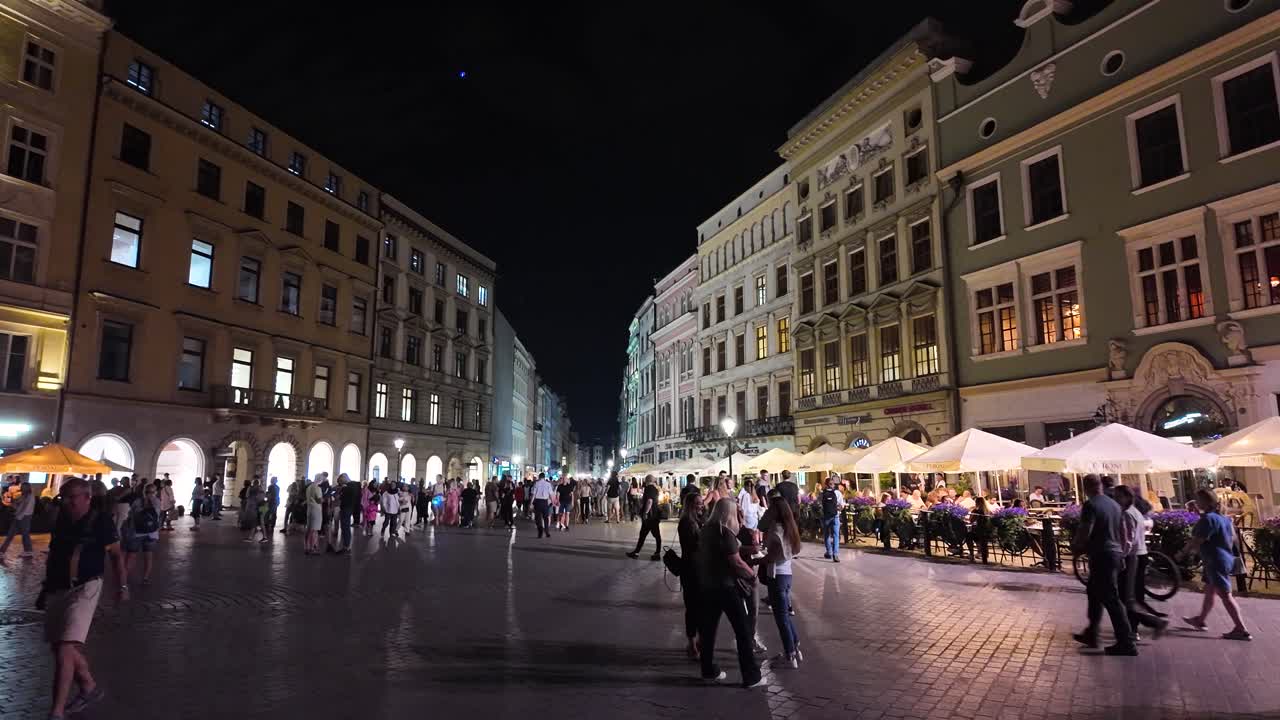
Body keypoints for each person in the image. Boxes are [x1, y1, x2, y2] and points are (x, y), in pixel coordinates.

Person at [40, 477, 127, 719]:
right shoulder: (61, 519)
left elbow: (117, 556)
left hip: (86, 587)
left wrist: (122, 585)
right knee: (58, 645)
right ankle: (88, 686)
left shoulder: (101, 522)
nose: (66, 502)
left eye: (72, 498)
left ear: (88, 497)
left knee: (66, 648)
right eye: (63, 497)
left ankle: (56, 711)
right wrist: (44, 588)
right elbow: (55, 554)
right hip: (58, 587)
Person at [695, 498, 764, 688]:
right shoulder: (724, 532)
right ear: (729, 513)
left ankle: (708, 670)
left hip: (708, 585)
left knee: (708, 631)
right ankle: (751, 676)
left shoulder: (706, 530)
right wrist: (752, 576)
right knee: (742, 631)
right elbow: (736, 562)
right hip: (726, 587)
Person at [1072, 474, 1136, 656]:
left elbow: (1086, 529)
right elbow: (1122, 531)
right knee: (1094, 593)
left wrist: (1077, 545)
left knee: (1111, 598)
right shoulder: (1114, 505)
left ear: (1086, 487)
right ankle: (1092, 633)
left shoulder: (1091, 505)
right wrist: (1122, 554)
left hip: (1102, 555)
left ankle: (1126, 642)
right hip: (1114, 554)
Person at [1179, 488, 1251, 640]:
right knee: (1210, 590)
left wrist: (1183, 553)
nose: (1196, 502)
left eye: (1198, 500)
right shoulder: (1223, 518)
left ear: (1204, 502)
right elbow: (1232, 539)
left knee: (1225, 595)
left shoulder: (1208, 519)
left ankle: (1240, 628)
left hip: (1214, 560)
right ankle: (1200, 620)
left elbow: (1197, 540)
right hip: (1224, 558)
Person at [1112, 485, 1168, 640]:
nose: (1115, 499)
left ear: (1127, 497)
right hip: (1139, 554)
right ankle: (1135, 628)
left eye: (1118, 496)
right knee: (1131, 596)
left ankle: (1151, 624)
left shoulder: (1126, 514)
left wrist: (1121, 557)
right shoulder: (1136, 512)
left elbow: (1127, 540)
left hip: (1131, 556)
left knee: (1125, 596)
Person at [758, 494, 802, 668]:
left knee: (781, 617)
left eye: (770, 508)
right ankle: (794, 645)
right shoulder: (789, 527)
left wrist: (757, 560)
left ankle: (789, 653)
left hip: (777, 576)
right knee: (785, 615)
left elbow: (773, 556)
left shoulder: (776, 530)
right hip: (787, 574)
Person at [677, 488, 705, 661]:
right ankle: (692, 643)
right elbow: (695, 546)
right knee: (693, 607)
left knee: (698, 607)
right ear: (690, 506)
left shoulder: (695, 520)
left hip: (696, 568)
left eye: (701, 503)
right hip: (691, 569)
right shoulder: (687, 523)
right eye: (698, 504)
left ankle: (697, 641)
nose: (701, 506)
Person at [123, 482, 162, 584]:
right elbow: (157, 516)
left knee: (131, 555)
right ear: (155, 492)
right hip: (151, 533)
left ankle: (124, 577)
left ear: (144, 492)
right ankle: (145, 578)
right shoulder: (157, 502)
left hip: (136, 532)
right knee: (148, 557)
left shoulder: (137, 501)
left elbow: (130, 515)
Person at [626, 475, 663, 560]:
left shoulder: (649, 488)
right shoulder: (655, 489)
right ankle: (656, 553)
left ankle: (637, 553)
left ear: (647, 480)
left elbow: (649, 501)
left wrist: (645, 513)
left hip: (649, 516)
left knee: (643, 535)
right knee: (656, 535)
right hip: (654, 516)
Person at [0, 480, 36, 561]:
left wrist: (18, 514)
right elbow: (17, 505)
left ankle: (28, 550)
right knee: (12, 534)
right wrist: (12, 501)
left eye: (23, 487)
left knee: (24, 534)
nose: (21, 488)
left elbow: (25, 508)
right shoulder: (24, 496)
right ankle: (2, 551)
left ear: (27, 488)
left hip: (24, 517)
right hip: (19, 517)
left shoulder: (30, 496)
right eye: (21, 487)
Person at [820, 475, 844, 562]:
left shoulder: (822, 493)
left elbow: (819, 505)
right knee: (836, 535)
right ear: (833, 484)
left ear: (826, 484)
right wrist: (837, 508)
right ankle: (835, 554)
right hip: (835, 516)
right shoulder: (838, 493)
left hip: (826, 516)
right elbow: (842, 506)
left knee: (826, 535)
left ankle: (829, 552)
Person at [304, 477, 325, 555]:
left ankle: (307, 546)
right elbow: (319, 500)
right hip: (316, 510)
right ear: (320, 480)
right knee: (313, 530)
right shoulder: (317, 488)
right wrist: (324, 499)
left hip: (309, 509)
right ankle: (311, 548)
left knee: (309, 528)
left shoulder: (309, 487)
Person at [531, 472, 553, 538]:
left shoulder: (536, 483)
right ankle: (547, 532)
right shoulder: (548, 484)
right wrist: (552, 502)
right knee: (546, 518)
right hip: (545, 502)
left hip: (538, 502)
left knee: (538, 518)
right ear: (544, 477)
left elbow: (533, 494)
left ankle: (540, 530)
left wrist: (531, 503)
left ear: (539, 477)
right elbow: (551, 494)